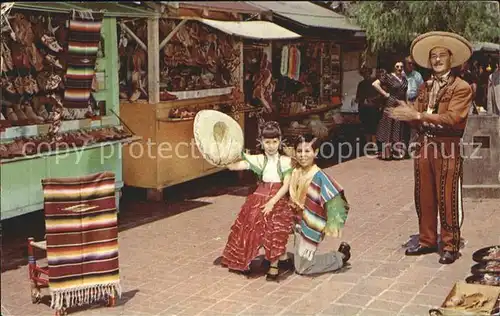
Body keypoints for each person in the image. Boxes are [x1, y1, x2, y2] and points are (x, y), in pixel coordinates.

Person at [387, 31, 473, 264]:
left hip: (448, 145)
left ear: (451, 59)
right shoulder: (425, 86)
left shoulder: (462, 87)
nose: (436, 60)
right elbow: (418, 116)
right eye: (433, 56)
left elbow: (453, 118)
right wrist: (404, 114)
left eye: (441, 55)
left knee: (447, 195)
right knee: (423, 195)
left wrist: (417, 113)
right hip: (424, 144)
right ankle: (426, 240)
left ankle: (450, 244)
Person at [221, 121, 295, 281]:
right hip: (259, 197)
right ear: (261, 141)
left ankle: (275, 264)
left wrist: (272, 202)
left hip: (278, 198)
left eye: (275, 141)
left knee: (275, 227)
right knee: (251, 225)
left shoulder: (285, 161)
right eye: (267, 142)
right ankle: (275, 259)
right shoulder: (259, 159)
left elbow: (286, 185)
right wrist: (223, 159)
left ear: (280, 140)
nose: (271, 146)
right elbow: (235, 166)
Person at [287, 134, 351, 275]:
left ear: (315, 153)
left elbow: (336, 196)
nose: (303, 155)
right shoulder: (295, 171)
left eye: (307, 151)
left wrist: (329, 222)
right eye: (299, 151)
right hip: (296, 221)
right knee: (300, 262)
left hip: (310, 223)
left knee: (303, 268)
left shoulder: (318, 175)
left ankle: (339, 257)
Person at [372, 61, 409, 160]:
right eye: (397, 66)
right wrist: (385, 94)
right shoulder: (389, 77)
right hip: (391, 103)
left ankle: (398, 152)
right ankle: (387, 154)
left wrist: (407, 105)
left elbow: (405, 94)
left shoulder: (404, 79)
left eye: (401, 66)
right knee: (388, 126)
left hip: (401, 104)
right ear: (394, 67)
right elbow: (375, 84)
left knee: (399, 127)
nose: (399, 68)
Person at [355, 67, 381, 147]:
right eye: (363, 73)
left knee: (373, 128)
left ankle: (374, 145)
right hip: (364, 108)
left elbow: (380, 94)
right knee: (366, 127)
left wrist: (372, 99)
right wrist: (359, 100)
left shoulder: (375, 83)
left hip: (373, 108)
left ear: (370, 73)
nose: (365, 75)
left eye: (366, 73)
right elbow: (358, 97)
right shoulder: (361, 84)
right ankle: (368, 145)